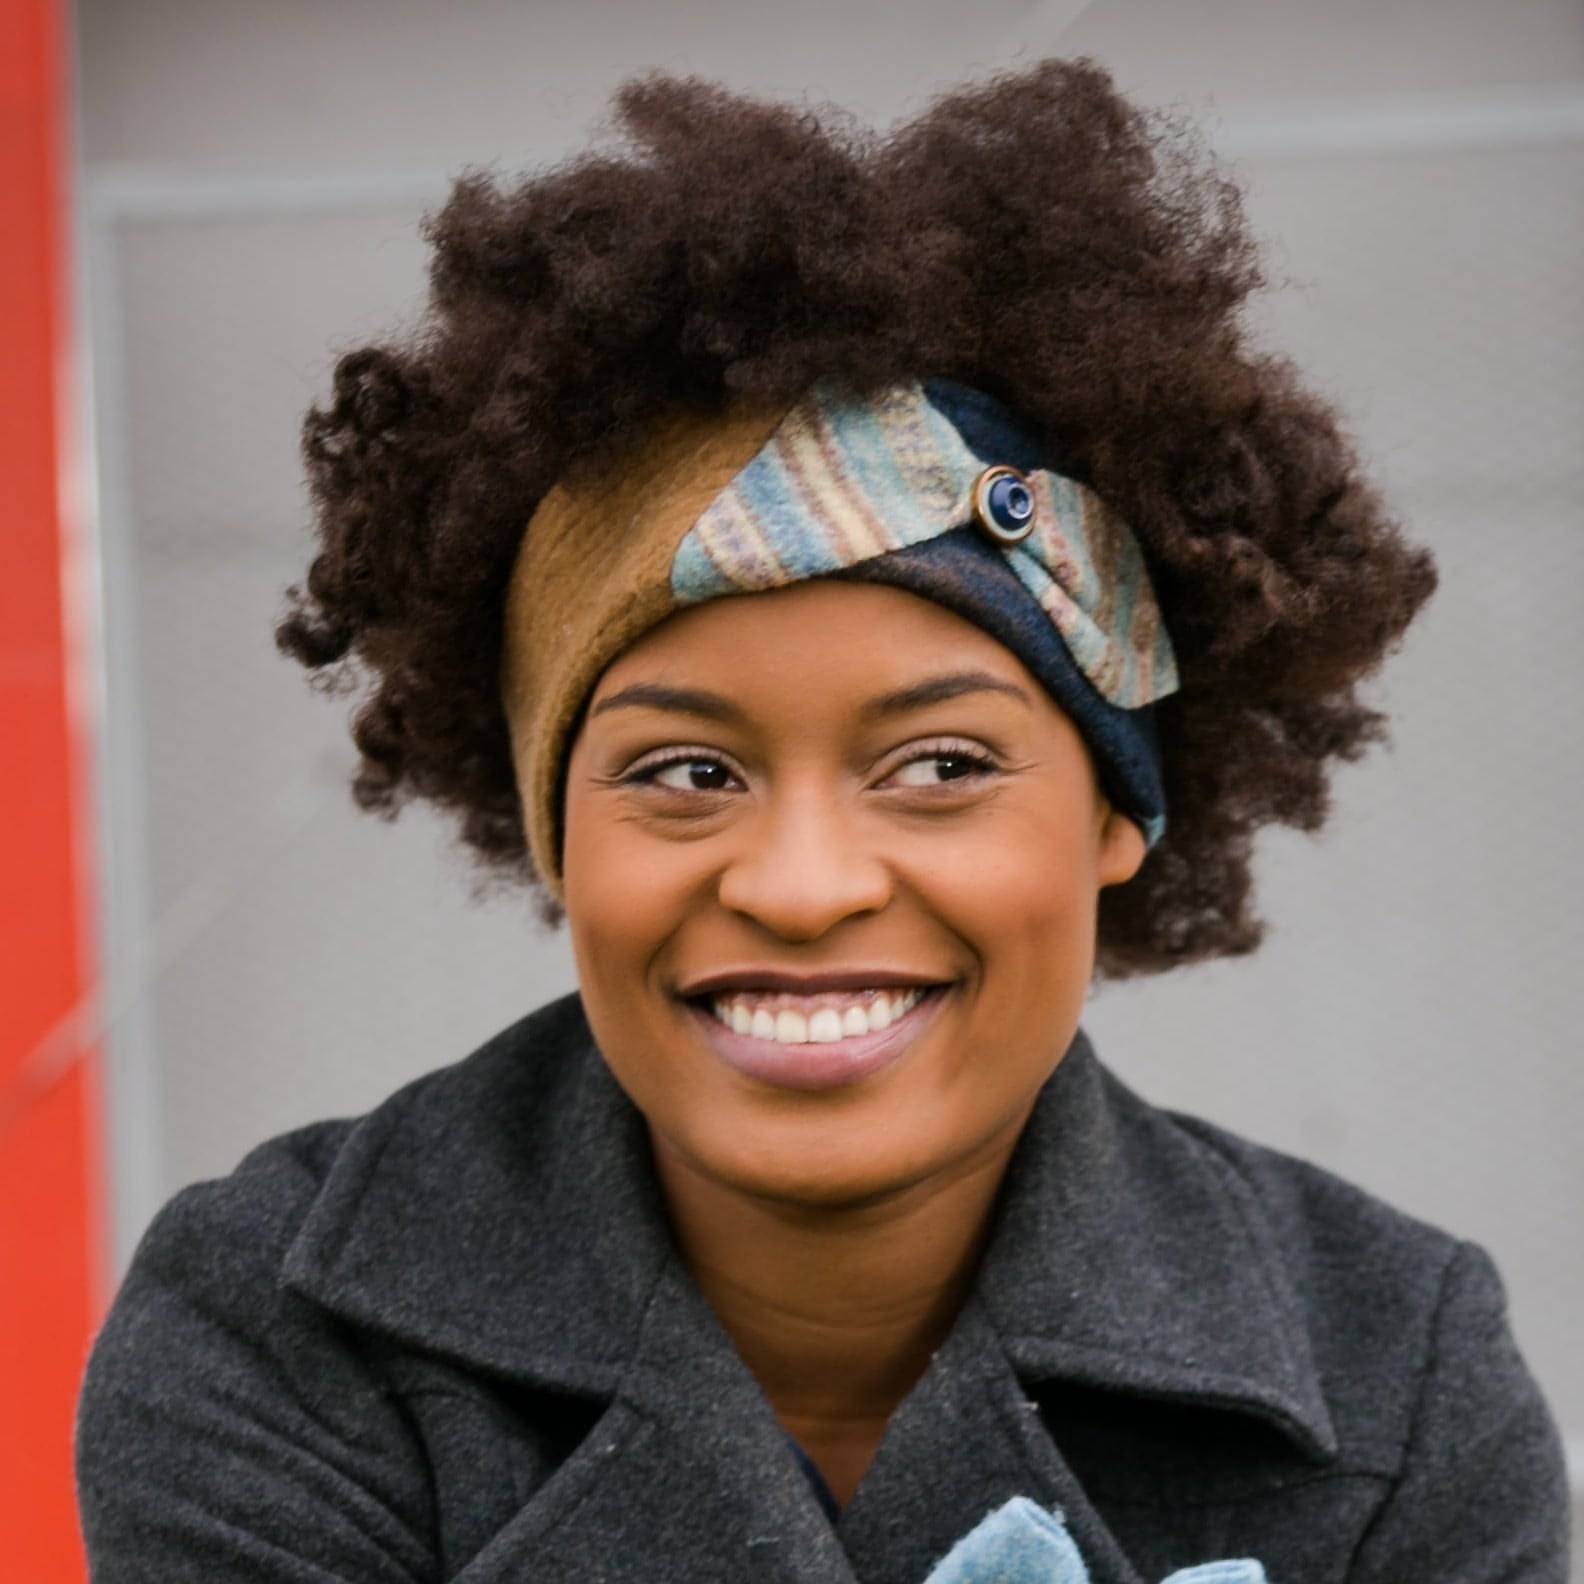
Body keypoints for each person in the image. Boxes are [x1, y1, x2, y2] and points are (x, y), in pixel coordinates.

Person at [74, 59, 1570, 1583]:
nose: (801, 886)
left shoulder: (1397, 1372)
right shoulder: (273, 1334)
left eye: (939, 766)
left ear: (1120, 809)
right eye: (685, 774)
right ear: (552, 827)